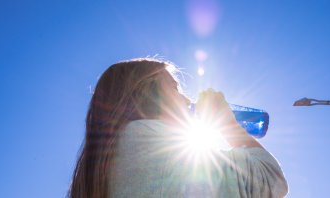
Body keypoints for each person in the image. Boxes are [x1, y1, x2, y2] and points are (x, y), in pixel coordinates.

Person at [68, 58, 288, 198]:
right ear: (146, 94)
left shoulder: (107, 161)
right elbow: (270, 182)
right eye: (175, 88)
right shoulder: (151, 141)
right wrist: (226, 124)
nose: (186, 98)